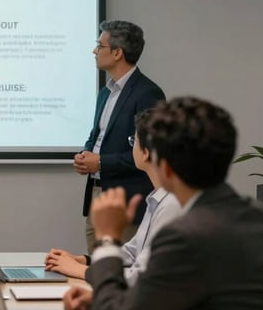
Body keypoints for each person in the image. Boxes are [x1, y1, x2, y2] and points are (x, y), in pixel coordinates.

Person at [63, 97, 263, 310]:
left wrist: (108, 237)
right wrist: (111, 301)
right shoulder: (258, 217)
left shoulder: (189, 234)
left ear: (164, 166)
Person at [45, 109, 181, 284]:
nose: (133, 147)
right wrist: (87, 261)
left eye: (134, 141)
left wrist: (81, 271)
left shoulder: (172, 205)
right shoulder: (157, 197)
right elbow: (132, 253)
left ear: (146, 152)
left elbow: (140, 277)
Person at [75, 20, 165, 253]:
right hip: (98, 193)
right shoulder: (106, 92)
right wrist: (86, 154)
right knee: (95, 269)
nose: (94, 51)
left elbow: (150, 152)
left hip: (126, 202)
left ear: (117, 53)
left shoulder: (148, 93)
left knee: (121, 272)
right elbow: (98, 135)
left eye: (99, 46)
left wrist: (101, 161)